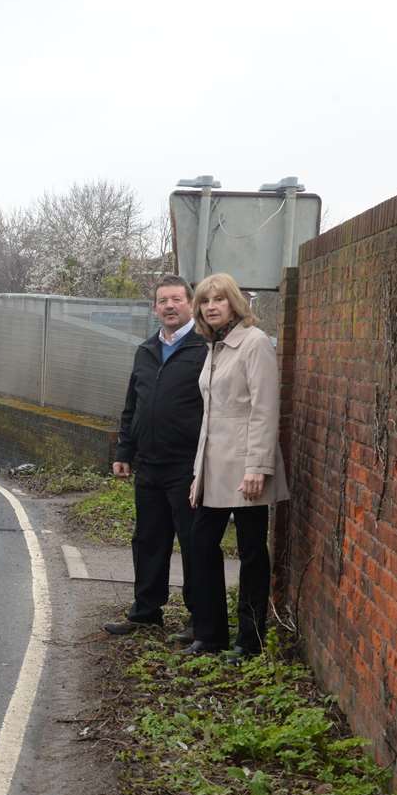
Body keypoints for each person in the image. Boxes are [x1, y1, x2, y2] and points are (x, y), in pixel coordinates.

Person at [186, 272, 289, 660]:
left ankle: (250, 639)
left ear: (234, 303)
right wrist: (199, 473)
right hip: (214, 468)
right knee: (201, 544)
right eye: (205, 301)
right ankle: (211, 634)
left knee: (250, 551)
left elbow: (264, 409)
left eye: (219, 299)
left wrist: (257, 468)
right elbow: (211, 416)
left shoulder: (254, 342)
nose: (211, 307)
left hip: (246, 466)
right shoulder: (213, 347)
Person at [104, 275, 209, 640]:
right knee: (148, 539)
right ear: (154, 308)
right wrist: (124, 451)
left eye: (176, 299)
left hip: (187, 466)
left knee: (192, 541)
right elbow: (132, 405)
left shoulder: (205, 348)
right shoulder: (146, 350)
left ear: (190, 304)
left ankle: (200, 619)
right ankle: (146, 612)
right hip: (148, 463)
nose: (169, 306)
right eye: (162, 301)